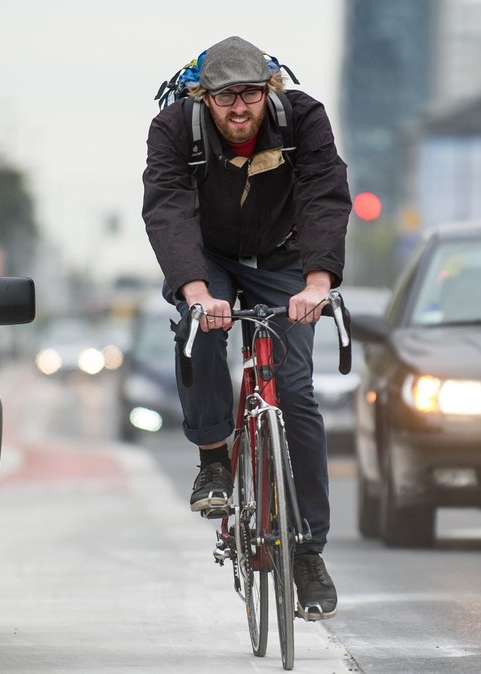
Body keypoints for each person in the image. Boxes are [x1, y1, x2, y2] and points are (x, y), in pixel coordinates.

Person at [142, 36, 351, 619]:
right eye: (226, 97)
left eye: (251, 95)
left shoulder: (303, 118)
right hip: (207, 258)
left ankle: (307, 552)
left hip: (284, 259)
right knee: (201, 328)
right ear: (203, 97)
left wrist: (317, 280)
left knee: (297, 390)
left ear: (270, 90)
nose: (240, 110)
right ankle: (214, 456)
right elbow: (167, 207)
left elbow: (324, 195)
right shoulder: (173, 129)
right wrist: (195, 290)